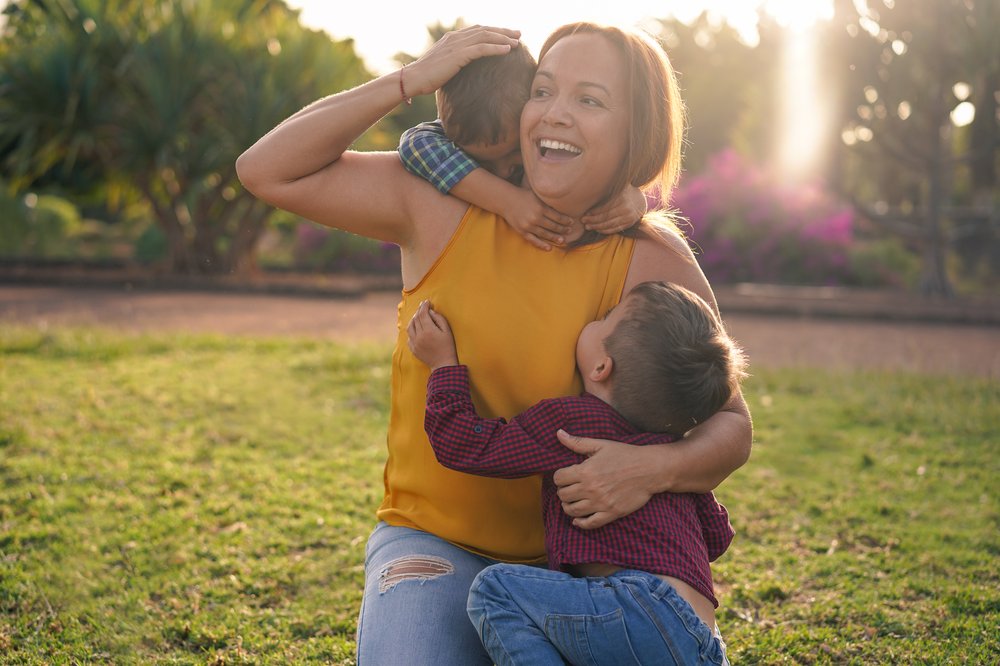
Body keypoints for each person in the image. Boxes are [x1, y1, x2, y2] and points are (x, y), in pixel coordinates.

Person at [236, 22, 752, 665]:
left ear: (636, 130)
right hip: (433, 544)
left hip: (592, 573)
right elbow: (264, 170)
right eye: (543, 90)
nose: (555, 113)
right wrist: (408, 82)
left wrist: (650, 470)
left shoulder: (652, 257)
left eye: (590, 100)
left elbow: (732, 423)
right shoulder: (438, 200)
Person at [407, 279, 745, 664]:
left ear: (602, 367)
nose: (597, 317)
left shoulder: (572, 423)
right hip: (703, 643)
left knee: (496, 589)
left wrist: (442, 366)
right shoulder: (675, 451)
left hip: (637, 611)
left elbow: (467, 445)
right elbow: (717, 536)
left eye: (606, 317)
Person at [397, 44, 645, 250]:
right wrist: (507, 201)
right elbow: (415, 144)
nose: (503, 172)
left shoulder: (547, 146)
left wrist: (634, 197)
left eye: (511, 154)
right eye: (480, 162)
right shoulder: (466, 138)